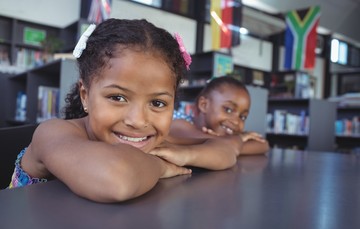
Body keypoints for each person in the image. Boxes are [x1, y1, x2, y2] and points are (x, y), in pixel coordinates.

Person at [7, 19, 242, 203]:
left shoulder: (148, 138)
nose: (138, 121)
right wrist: (159, 165)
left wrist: (183, 155)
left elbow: (226, 151)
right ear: (85, 95)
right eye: (117, 97)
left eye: (158, 103)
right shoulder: (52, 134)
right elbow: (115, 180)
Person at [171, 76, 269, 155]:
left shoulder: (227, 136)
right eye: (228, 110)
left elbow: (263, 144)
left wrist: (232, 142)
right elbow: (230, 146)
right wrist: (237, 141)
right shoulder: (179, 125)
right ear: (204, 105)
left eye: (242, 117)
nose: (236, 121)